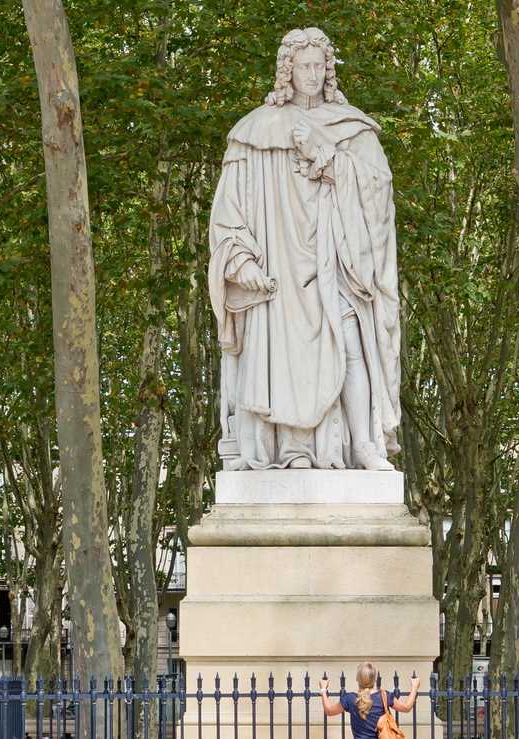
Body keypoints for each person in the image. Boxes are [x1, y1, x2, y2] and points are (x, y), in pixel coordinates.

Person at [208, 28, 401, 471]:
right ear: (287, 71)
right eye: (303, 66)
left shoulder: (353, 128)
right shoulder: (254, 131)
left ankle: (363, 447)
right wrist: (240, 261)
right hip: (280, 273)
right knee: (284, 357)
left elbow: (378, 190)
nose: (312, 75)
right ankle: (293, 451)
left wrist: (328, 158)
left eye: (319, 66)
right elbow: (228, 212)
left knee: (351, 344)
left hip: (338, 262)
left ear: (328, 69)